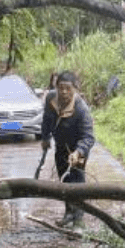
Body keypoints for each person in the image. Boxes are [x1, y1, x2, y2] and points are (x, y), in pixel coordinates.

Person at [40, 70, 95, 228]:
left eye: (68, 88)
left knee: (77, 181)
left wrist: (78, 152)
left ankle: (78, 220)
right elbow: (46, 119)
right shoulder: (51, 99)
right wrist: (44, 138)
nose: (64, 92)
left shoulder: (81, 109)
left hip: (78, 148)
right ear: (56, 87)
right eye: (61, 87)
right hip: (61, 146)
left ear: (75, 89)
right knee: (64, 180)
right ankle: (68, 213)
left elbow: (88, 137)